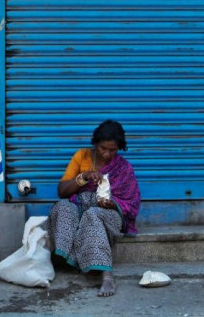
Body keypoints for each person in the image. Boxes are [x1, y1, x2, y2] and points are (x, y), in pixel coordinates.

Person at [47, 119, 141, 297]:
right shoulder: (81, 156)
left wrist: (113, 203)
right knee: (62, 207)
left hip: (109, 214)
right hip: (80, 205)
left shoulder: (124, 167)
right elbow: (62, 191)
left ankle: (106, 276)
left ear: (119, 148)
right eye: (102, 148)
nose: (106, 154)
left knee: (93, 215)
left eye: (112, 150)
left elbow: (132, 201)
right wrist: (85, 176)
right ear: (95, 144)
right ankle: (73, 260)